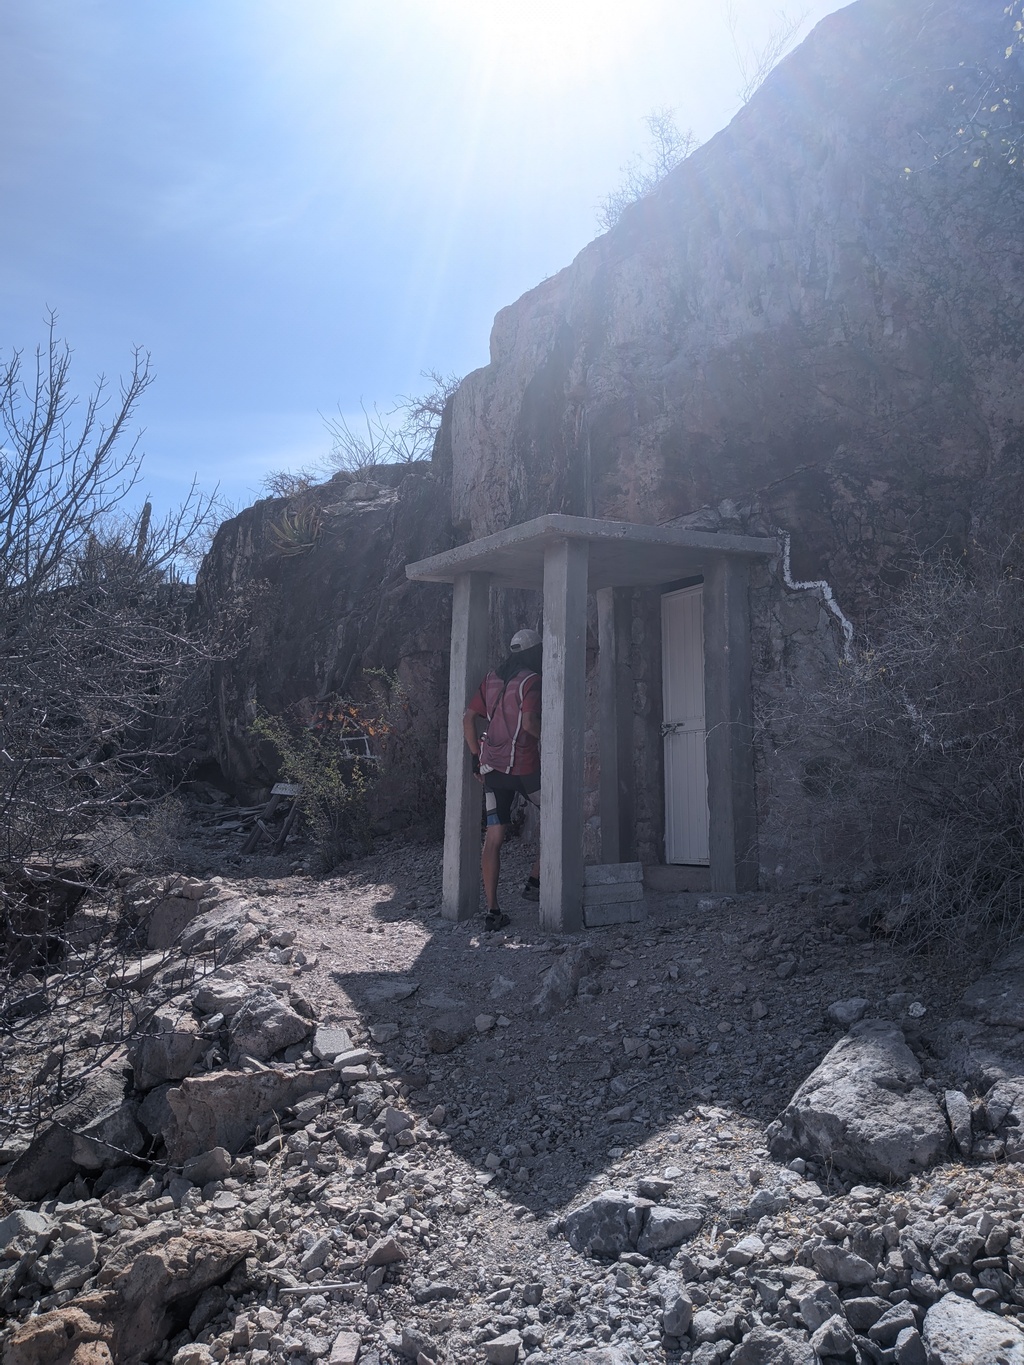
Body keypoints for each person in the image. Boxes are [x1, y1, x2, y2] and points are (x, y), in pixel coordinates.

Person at [463, 627, 542, 931]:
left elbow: (468, 718)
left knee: (494, 837)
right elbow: (529, 722)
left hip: (493, 771)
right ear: (534, 653)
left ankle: (493, 910)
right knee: (559, 819)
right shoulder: (532, 680)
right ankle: (535, 882)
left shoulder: (491, 679)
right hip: (524, 770)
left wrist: (475, 756)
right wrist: (550, 737)